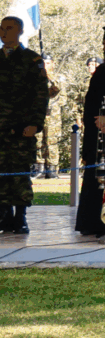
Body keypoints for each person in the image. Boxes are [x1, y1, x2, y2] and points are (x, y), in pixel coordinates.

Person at [0, 16, 48, 235]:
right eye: (2, 28)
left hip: (21, 127)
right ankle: (4, 215)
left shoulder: (31, 60)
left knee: (19, 173)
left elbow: (40, 95)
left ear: (19, 31)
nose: (4, 32)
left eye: (9, 28)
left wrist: (35, 123)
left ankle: (20, 216)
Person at [75, 25, 105, 237]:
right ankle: (93, 222)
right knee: (96, 179)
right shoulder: (102, 71)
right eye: (104, 44)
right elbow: (92, 102)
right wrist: (99, 118)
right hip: (99, 135)